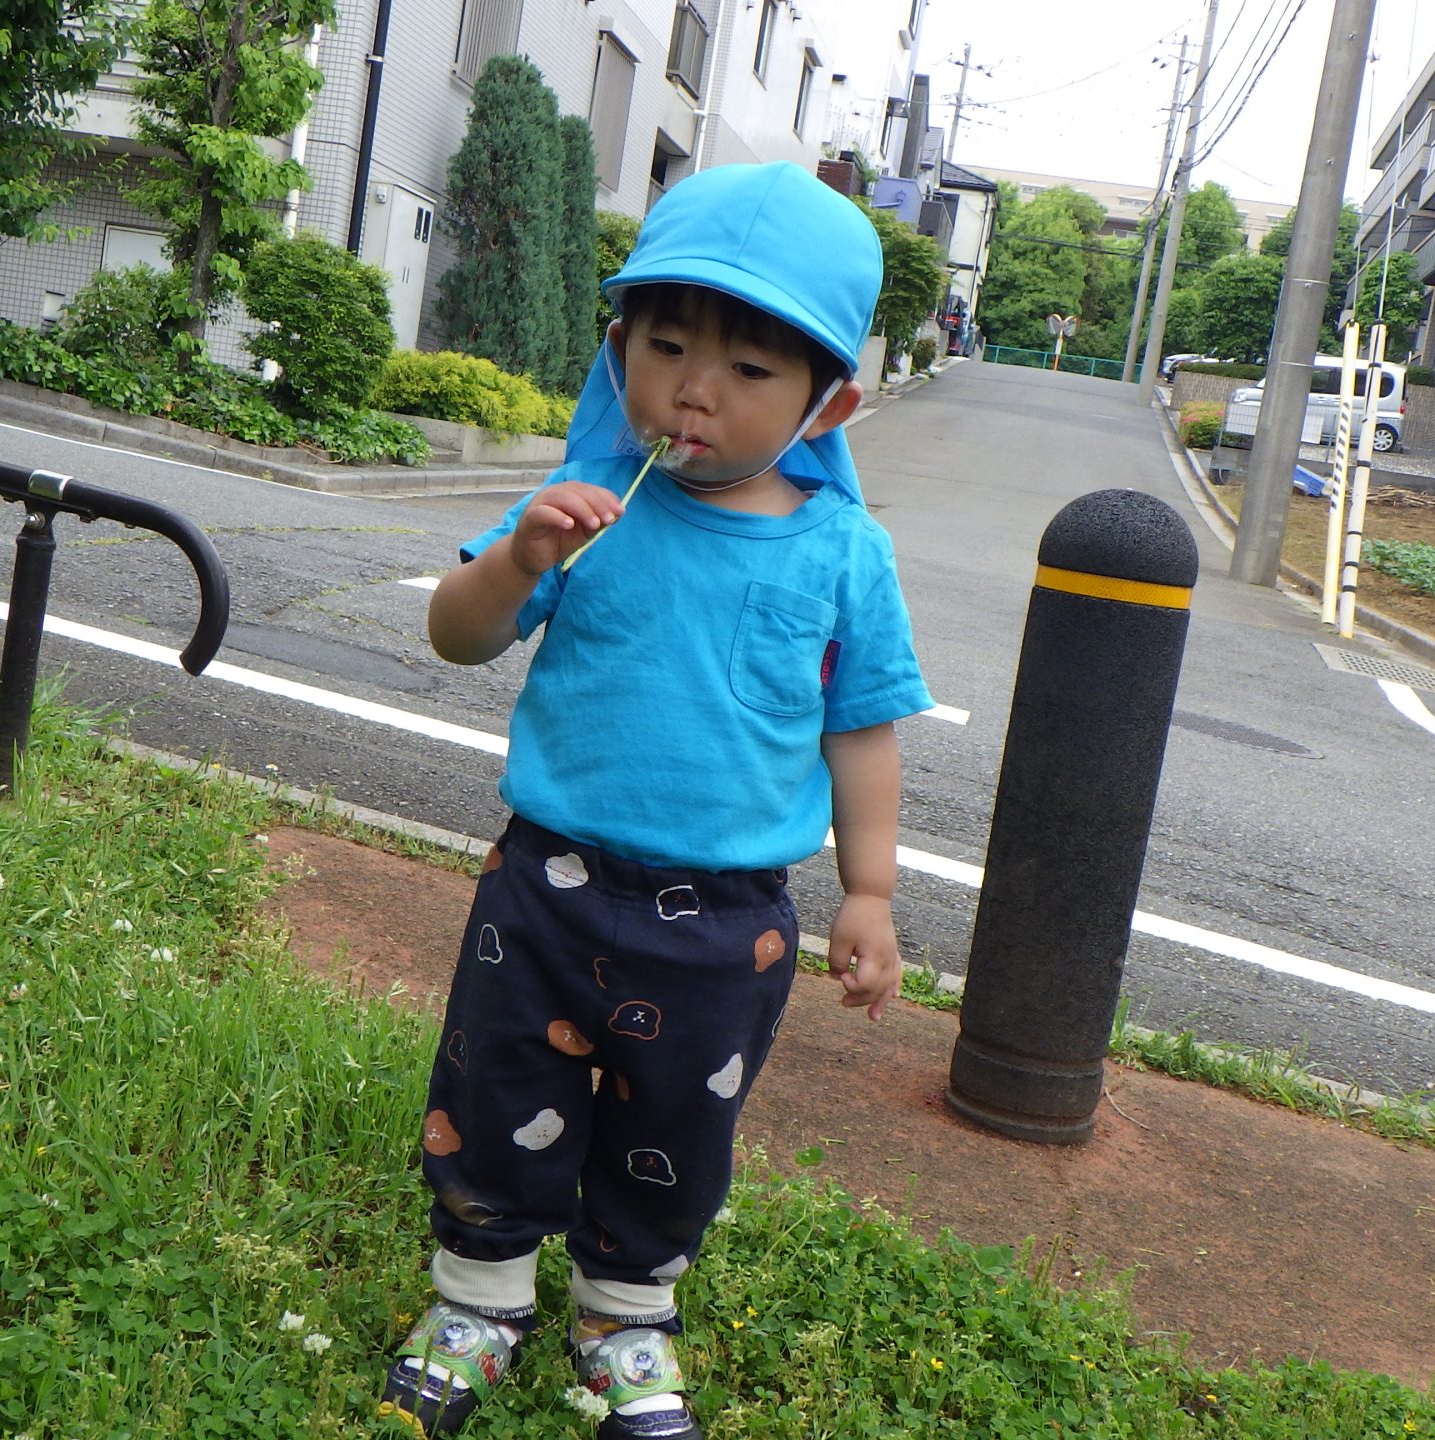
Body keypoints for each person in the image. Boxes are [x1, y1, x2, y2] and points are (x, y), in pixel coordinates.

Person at [374, 162, 932, 1440]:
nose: (694, 391)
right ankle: (480, 1294)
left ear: (826, 400)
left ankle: (625, 1314)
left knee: (674, 1126)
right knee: (500, 1086)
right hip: (546, 884)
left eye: (748, 369)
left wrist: (871, 889)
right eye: (666, 345)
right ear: (617, 346)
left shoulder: (844, 552)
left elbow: (861, 730)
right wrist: (520, 557)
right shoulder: (579, 512)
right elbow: (458, 639)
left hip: (728, 920)